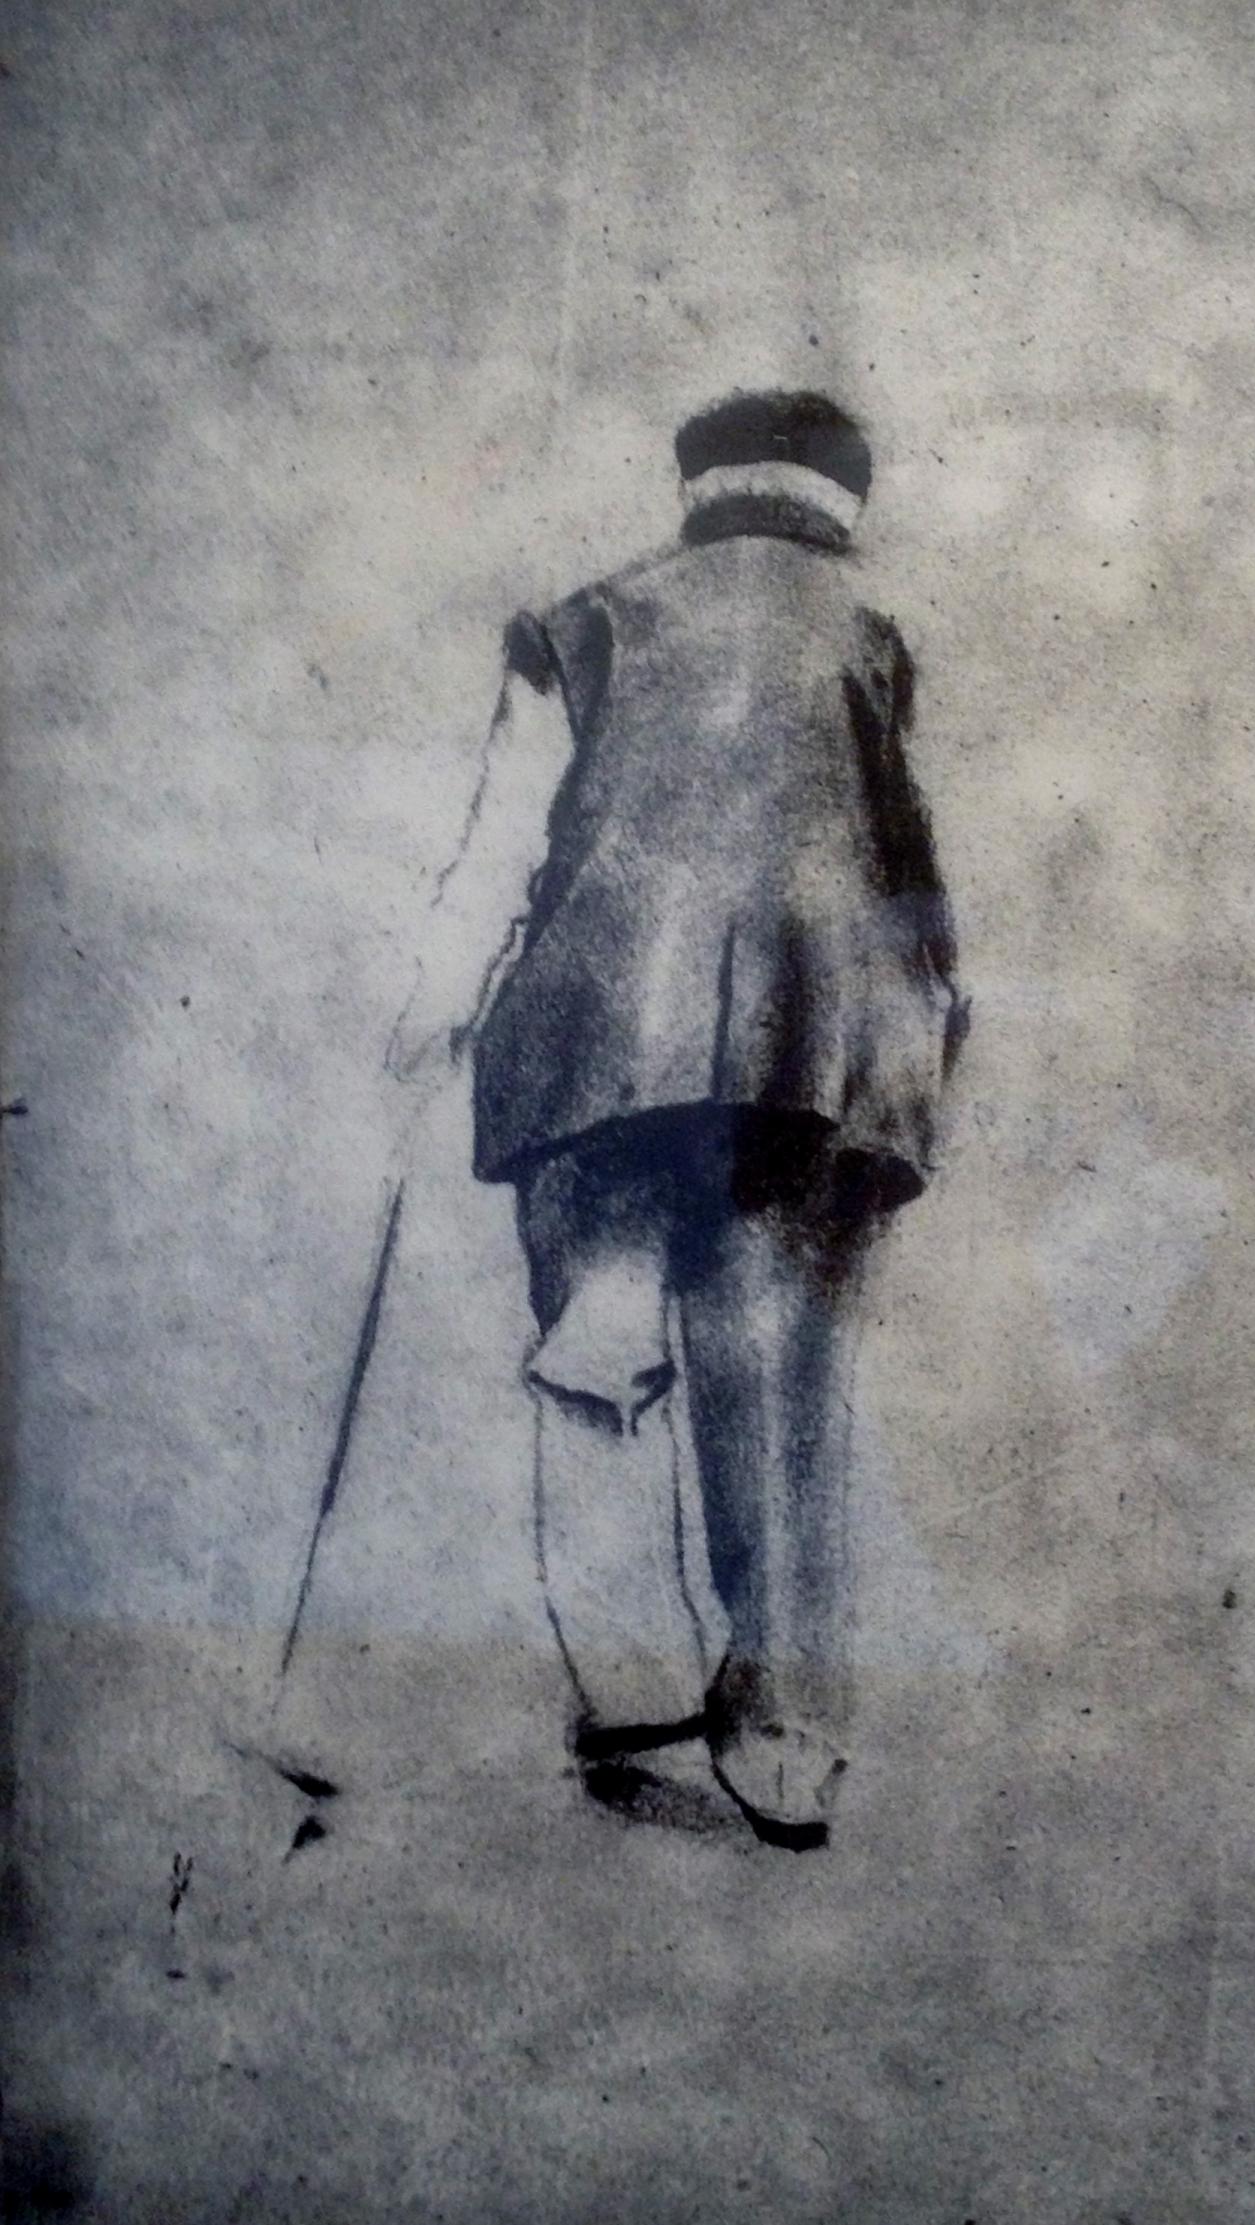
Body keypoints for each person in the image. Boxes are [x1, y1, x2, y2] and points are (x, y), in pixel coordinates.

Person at [389, 390, 965, 1848]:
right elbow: (916, 869)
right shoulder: (875, 633)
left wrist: (435, 1006)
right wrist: (929, 1038)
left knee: (596, 1356)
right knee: (782, 1391)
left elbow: (499, 844)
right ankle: (783, 1737)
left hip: (596, 1059)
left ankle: (630, 1681)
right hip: (812, 1066)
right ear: (841, 504)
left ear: (696, 494)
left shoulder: (582, 625)